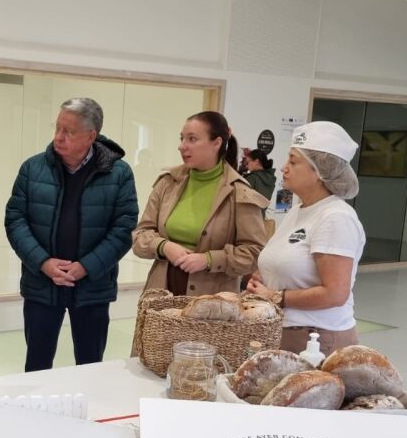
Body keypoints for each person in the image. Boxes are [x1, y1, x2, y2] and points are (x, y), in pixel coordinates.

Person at [5, 97, 138, 372]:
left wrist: (86, 267)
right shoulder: (33, 168)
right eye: (57, 127)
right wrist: (43, 262)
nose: (58, 136)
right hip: (42, 283)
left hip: (92, 286)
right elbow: (15, 220)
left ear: (91, 136)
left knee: (90, 365)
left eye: (69, 131)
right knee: (37, 365)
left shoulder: (119, 174)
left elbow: (124, 228)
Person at [246, 121, 366, 355]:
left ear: (319, 172)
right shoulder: (297, 211)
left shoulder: (336, 217)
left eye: (293, 161)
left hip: (316, 338)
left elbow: (335, 293)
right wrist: (263, 281)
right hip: (283, 330)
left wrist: (275, 296)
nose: (284, 168)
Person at [131, 111, 269, 303]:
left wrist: (209, 260)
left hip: (213, 303)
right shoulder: (168, 183)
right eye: (182, 138)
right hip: (160, 294)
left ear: (216, 143)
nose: (182, 146)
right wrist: (164, 246)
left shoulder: (239, 192)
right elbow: (139, 236)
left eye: (192, 139)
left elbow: (254, 253)